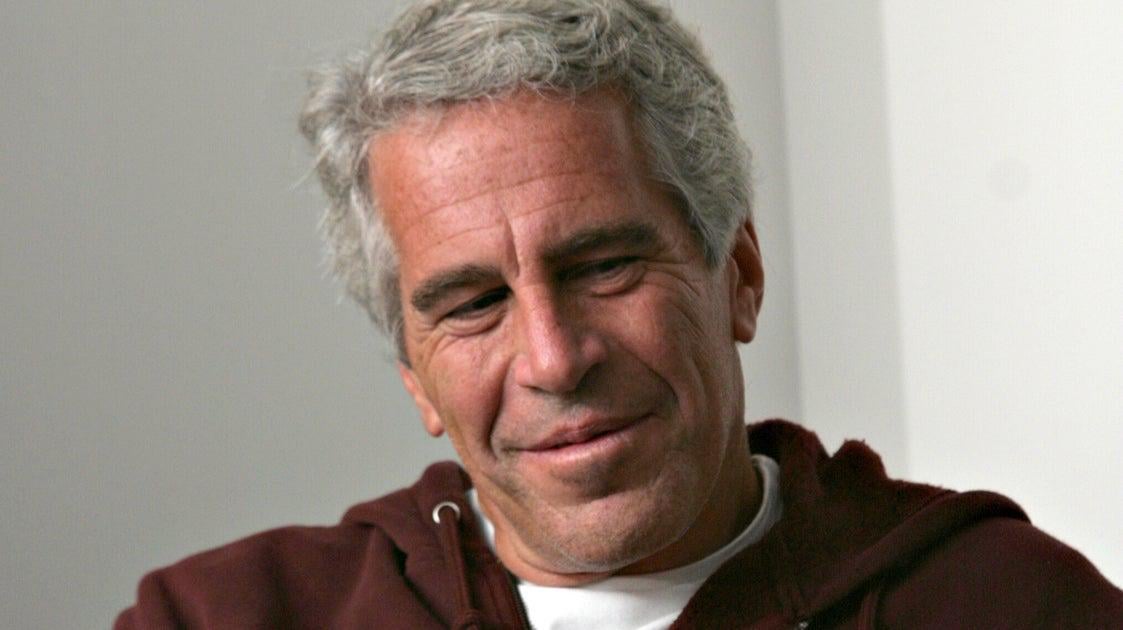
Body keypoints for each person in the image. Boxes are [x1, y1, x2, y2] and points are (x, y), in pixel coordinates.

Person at [116, 1, 1123, 627]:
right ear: (415, 375)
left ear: (738, 274)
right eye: (473, 305)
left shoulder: (1006, 608)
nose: (553, 360)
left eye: (603, 267)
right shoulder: (223, 619)